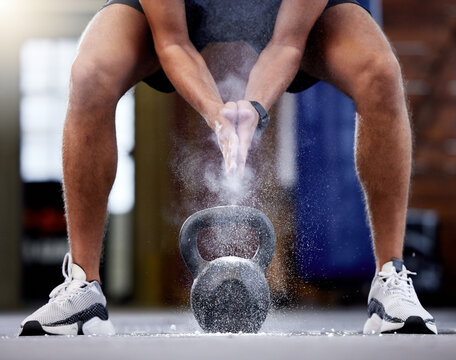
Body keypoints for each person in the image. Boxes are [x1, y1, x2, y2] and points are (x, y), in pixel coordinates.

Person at [19, 0, 437, 335]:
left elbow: (288, 43)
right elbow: (173, 44)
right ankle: (83, 287)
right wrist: (216, 113)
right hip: (180, 21)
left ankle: (390, 278)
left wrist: (253, 108)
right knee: (90, 72)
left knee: (380, 71)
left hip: (286, 19)